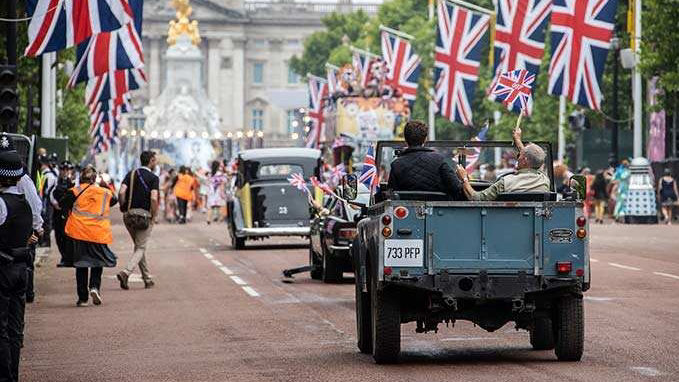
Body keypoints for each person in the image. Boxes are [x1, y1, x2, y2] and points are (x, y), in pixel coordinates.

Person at [0, 134, 37, 382]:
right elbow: (37, 225)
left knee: (1, 329)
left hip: (4, 268)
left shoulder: (2, 203)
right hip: (21, 269)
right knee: (15, 329)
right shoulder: (24, 202)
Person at [59, 165, 118, 306]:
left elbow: (62, 204)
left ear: (81, 177)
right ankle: (94, 287)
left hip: (79, 232)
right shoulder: (104, 192)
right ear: (94, 178)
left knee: (81, 264)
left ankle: (83, 298)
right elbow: (114, 200)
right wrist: (105, 184)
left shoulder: (74, 191)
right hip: (98, 233)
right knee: (98, 261)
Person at [456, 126, 550, 201]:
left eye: (519, 155)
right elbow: (532, 159)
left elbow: (477, 198)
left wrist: (464, 178)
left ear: (525, 160)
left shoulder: (505, 182)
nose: (517, 157)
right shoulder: (544, 180)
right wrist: (517, 140)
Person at [386, 120, 463, 199]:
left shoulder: (396, 164)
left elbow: (391, 194)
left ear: (405, 139)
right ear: (425, 139)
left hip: (407, 209)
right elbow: (456, 188)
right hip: (439, 209)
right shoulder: (439, 160)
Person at [116, 151, 160, 290]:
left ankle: (147, 279)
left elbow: (121, 192)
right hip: (144, 216)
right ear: (151, 161)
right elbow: (154, 198)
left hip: (129, 215)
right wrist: (154, 214)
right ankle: (126, 272)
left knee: (138, 247)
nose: (156, 163)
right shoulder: (153, 178)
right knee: (141, 247)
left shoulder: (131, 174)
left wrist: (124, 206)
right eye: (155, 161)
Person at [51, 161, 75, 266]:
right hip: (58, 211)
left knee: (69, 236)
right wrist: (55, 203)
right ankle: (64, 257)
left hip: (70, 212)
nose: (65, 172)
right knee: (59, 235)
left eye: (67, 169)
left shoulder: (75, 182)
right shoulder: (55, 181)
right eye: (63, 169)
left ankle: (70, 258)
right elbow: (49, 193)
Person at [37, 154, 58, 250]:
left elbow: (48, 191)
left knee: (47, 221)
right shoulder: (45, 174)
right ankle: (43, 241)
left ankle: (46, 241)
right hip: (44, 201)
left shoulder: (49, 175)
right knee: (44, 221)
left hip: (48, 202)